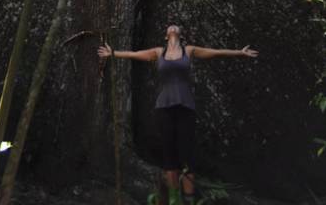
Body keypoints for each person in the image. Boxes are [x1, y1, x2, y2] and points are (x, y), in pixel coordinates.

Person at [98, 24, 258, 205]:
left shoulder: (188, 51)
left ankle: (189, 200)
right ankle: (174, 199)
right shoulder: (159, 52)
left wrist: (239, 52)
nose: (173, 27)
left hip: (185, 107)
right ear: (166, 36)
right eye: (170, 26)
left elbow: (215, 52)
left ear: (181, 35)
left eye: (176, 26)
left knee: (187, 153)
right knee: (169, 155)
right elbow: (134, 55)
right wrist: (112, 53)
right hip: (164, 108)